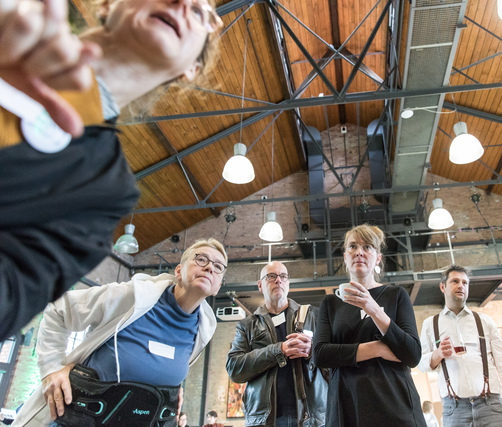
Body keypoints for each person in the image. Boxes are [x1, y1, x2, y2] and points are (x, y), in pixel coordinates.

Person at [0, 0, 223, 341]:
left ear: (192, 67)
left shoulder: (102, 190)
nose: (182, 3)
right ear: (107, 4)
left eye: (199, 11)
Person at [12, 238, 227, 426]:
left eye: (218, 267)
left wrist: (170, 389)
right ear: (178, 271)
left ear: (218, 286)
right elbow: (59, 310)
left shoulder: (204, 327)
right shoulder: (134, 296)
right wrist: (51, 368)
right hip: (80, 418)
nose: (209, 268)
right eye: (201, 259)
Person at [312, 224, 426, 427]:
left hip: (395, 403)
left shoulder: (397, 295)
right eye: (353, 246)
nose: (359, 252)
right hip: (347, 405)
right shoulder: (331, 303)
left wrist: (373, 309)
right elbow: (320, 355)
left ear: (378, 258)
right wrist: (378, 349)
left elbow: (412, 354)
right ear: (345, 257)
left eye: (367, 247)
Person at [419, 265, 502, 427]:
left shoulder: (484, 321)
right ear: (442, 287)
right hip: (454, 409)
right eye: (455, 281)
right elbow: (421, 364)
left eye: (465, 283)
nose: (461, 286)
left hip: (490, 405)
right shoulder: (431, 324)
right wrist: (437, 354)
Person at [226, 261, 328, 427]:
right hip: (264, 420)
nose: (278, 280)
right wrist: (279, 350)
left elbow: (334, 365)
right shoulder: (247, 325)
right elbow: (235, 369)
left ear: (288, 283)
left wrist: (313, 351)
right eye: (271, 276)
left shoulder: (314, 316)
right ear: (260, 285)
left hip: (313, 419)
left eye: (283, 276)